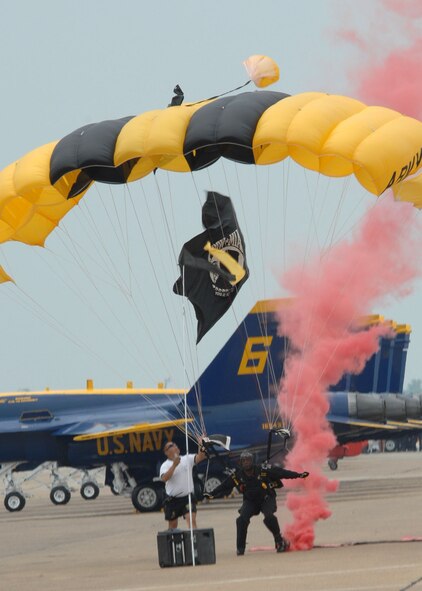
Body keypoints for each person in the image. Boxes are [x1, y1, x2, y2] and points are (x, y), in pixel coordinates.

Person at [204, 451, 309, 555]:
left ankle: (279, 541)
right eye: (244, 461)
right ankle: (240, 548)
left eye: (248, 460)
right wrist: (211, 494)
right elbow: (224, 485)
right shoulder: (238, 475)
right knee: (241, 520)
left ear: (252, 460)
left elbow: (282, 473)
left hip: (266, 499)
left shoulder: (263, 470)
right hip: (250, 502)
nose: (246, 462)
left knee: (269, 517)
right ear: (240, 463)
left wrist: (299, 475)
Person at [159, 440, 207, 530]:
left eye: (175, 444)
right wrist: (174, 465)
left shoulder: (186, 459)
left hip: (187, 497)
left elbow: (201, 457)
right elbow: (164, 478)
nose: (174, 446)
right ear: (166, 452)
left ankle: (194, 540)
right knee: (172, 526)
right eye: (171, 446)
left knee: (191, 519)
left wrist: (201, 445)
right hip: (173, 499)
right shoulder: (165, 465)